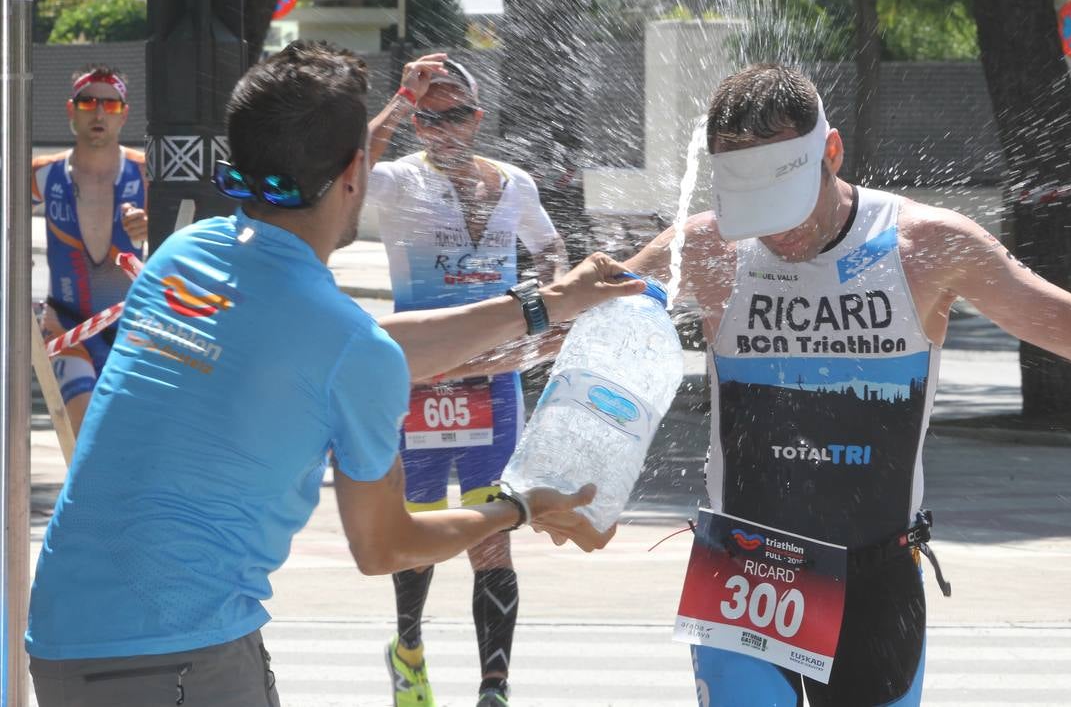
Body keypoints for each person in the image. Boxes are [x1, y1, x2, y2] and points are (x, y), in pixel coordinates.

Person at [612, 63, 1071, 706]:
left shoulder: (927, 248)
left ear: (831, 151)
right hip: (744, 563)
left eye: (786, 203)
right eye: (754, 212)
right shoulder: (707, 248)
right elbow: (584, 327)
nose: (773, 234)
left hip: (875, 577)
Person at [25, 42, 646, 707]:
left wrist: (545, 305)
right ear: (357, 171)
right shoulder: (342, 344)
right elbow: (384, 546)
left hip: (61, 640)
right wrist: (516, 508)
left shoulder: (183, 255)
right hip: (184, 657)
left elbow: (363, 347)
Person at [364, 54, 570, 707]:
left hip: (493, 385)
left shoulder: (515, 184)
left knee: (491, 539)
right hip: (419, 385)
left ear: (477, 119)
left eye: (453, 116)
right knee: (416, 542)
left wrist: (546, 316)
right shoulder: (398, 180)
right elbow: (349, 170)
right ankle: (408, 650)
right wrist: (400, 100)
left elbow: (553, 253)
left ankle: (494, 689)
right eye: (428, 120)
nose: (440, 129)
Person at [31, 65, 149, 436]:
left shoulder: (147, 174)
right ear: (72, 110)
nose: (99, 113)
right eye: (88, 102)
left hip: (129, 327)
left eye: (111, 105)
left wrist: (154, 225)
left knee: (124, 435)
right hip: (66, 324)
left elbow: (187, 236)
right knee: (85, 431)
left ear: (124, 114)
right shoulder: (41, 174)